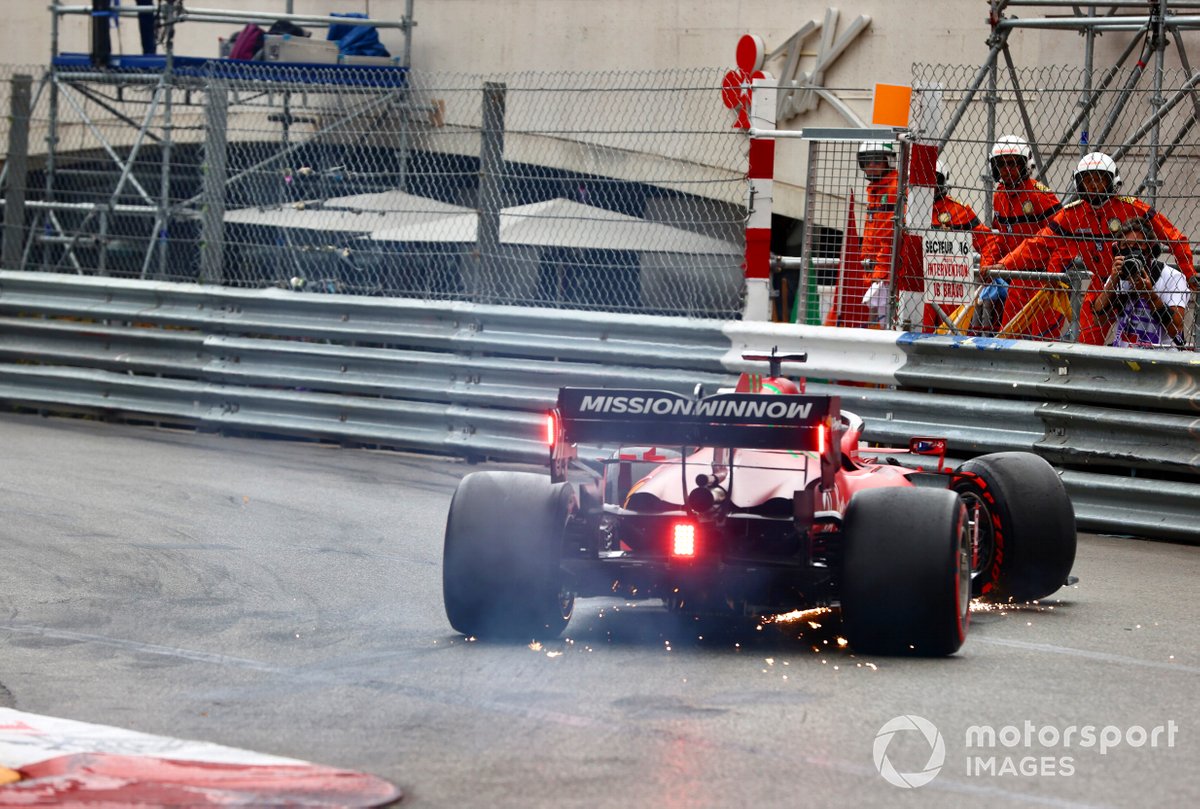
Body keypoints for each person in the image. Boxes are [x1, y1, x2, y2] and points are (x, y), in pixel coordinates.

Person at [981, 151, 1195, 344]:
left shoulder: (1132, 208)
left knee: (1146, 337)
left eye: (1099, 180)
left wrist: (1189, 274)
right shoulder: (1072, 214)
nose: (1093, 186)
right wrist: (1001, 265)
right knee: (1087, 344)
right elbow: (1037, 244)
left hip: (1139, 281)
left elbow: (1175, 238)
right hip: (1102, 286)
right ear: (1078, 183)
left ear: (1112, 181)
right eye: (1087, 180)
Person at [978, 136, 1062, 335]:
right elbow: (998, 236)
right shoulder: (999, 196)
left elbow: (1060, 237)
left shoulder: (1040, 195)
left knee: (1041, 339)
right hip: (1018, 279)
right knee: (1008, 335)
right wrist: (988, 264)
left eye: (1012, 164)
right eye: (1001, 164)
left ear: (1025, 164)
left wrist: (1052, 274)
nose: (1007, 169)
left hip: (1044, 279)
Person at [1090, 216, 1190, 348]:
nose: (1131, 250)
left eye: (1137, 245)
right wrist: (1113, 281)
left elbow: (1175, 329)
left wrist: (1150, 295)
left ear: (1149, 249)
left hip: (1161, 355)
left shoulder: (1172, 277)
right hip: (1123, 353)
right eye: (1125, 245)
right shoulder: (1119, 275)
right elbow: (1098, 320)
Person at [857, 140, 923, 327]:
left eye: (876, 161)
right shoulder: (877, 189)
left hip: (889, 270)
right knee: (881, 321)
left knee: (887, 323)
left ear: (888, 161)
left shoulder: (893, 188)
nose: (871, 166)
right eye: (867, 162)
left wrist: (880, 273)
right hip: (878, 267)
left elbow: (890, 238)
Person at [927, 161, 992, 330]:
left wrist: (986, 266)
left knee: (951, 335)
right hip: (918, 286)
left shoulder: (959, 211)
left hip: (952, 287)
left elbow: (987, 241)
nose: (929, 184)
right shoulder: (906, 210)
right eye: (924, 178)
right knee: (915, 331)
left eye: (934, 179)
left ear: (943, 181)